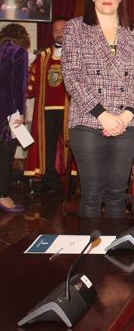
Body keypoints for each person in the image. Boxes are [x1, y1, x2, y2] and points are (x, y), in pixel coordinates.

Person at [63, 0, 134, 218]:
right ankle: (90, 255)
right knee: (92, 193)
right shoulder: (75, 28)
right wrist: (103, 115)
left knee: (116, 194)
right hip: (88, 121)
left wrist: (124, 117)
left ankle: (113, 254)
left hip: (127, 123)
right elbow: (72, 77)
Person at [24, 17, 69, 193]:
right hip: (46, 110)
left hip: (70, 111)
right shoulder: (42, 58)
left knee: (72, 147)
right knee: (48, 147)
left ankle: (70, 183)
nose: (59, 33)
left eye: (62, 30)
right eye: (55, 30)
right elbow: (30, 88)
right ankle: (50, 182)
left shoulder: (78, 56)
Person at [0, 24, 29, 213]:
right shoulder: (18, 52)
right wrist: (20, 112)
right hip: (7, 110)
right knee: (5, 154)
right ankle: (2, 196)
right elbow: (20, 84)